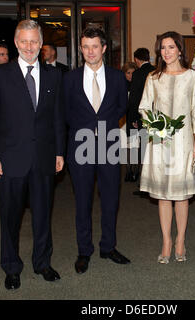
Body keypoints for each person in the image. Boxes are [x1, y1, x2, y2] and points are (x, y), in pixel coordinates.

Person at [0, 20, 66, 290]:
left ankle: (42, 262)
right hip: (9, 160)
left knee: (43, 215)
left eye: (34, 41)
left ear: (41, 45)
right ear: (16, 43)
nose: (29, 47)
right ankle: (11, 267)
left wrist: (59, 152)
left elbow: (57, 118)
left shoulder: (54, 76)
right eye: (24, 41)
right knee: (10, 217)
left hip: (43, 158)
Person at [64, 27, 130, 274]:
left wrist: (102, 127)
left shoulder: (116, 77)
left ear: (103, 48)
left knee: (111, 199)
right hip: (79, 146)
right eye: (85, 47)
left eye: (95, 46)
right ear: (81, 49)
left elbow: (122, 106)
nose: (90, 51)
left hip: (109, 144)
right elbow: (65, 112)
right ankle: (84, 251)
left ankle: (108, 246)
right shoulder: (69, 79)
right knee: (82, 201)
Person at [138, 32, 195, 264]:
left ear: (179, 50)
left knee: (182, 195)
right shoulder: (153, 78)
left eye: (171, 47)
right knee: (164, 195)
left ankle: (180, 240)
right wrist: (155, 125)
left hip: (184, 141)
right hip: (160, 141)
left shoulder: (192, 77)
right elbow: (144, 107)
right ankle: (166, 240)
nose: (166, 52)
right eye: (162, 48)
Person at [127, 48, 155, 183]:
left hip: (141, 114)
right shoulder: (157, 71)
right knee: (153, 147)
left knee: (140, 147)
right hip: (155, 115)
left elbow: (134, 98)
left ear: (136, 59)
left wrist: (133, 118)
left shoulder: (137, 74)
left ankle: (139, 175)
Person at [120, 61, 137, 180]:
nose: (130, 75)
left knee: (134, 144)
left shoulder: (138, 85)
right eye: (128, 73)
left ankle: (134, 170)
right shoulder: (121, 85)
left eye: (133, 73)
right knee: (124, 145)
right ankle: (127, 170)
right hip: (123, 119)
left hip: (133, 118)